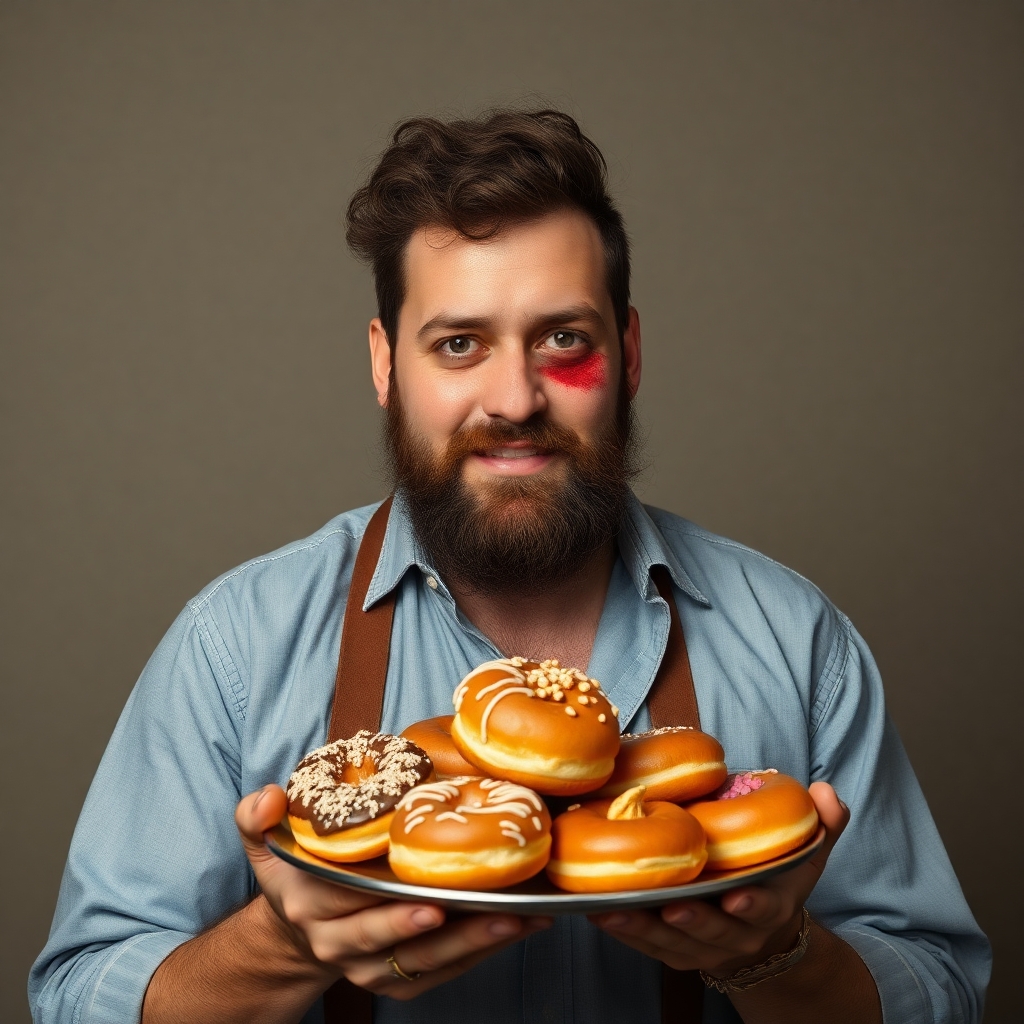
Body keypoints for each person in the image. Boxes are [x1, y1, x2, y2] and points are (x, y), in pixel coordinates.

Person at [30, 109, 989, 1024]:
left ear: (631, 352)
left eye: (563, 340)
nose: (516, 398)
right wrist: (284, 943)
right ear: (384, 366)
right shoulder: (236, 646)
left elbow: (942, 990)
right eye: (459, 345)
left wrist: (774, 956)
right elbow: (78, 997)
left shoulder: (795, 639)